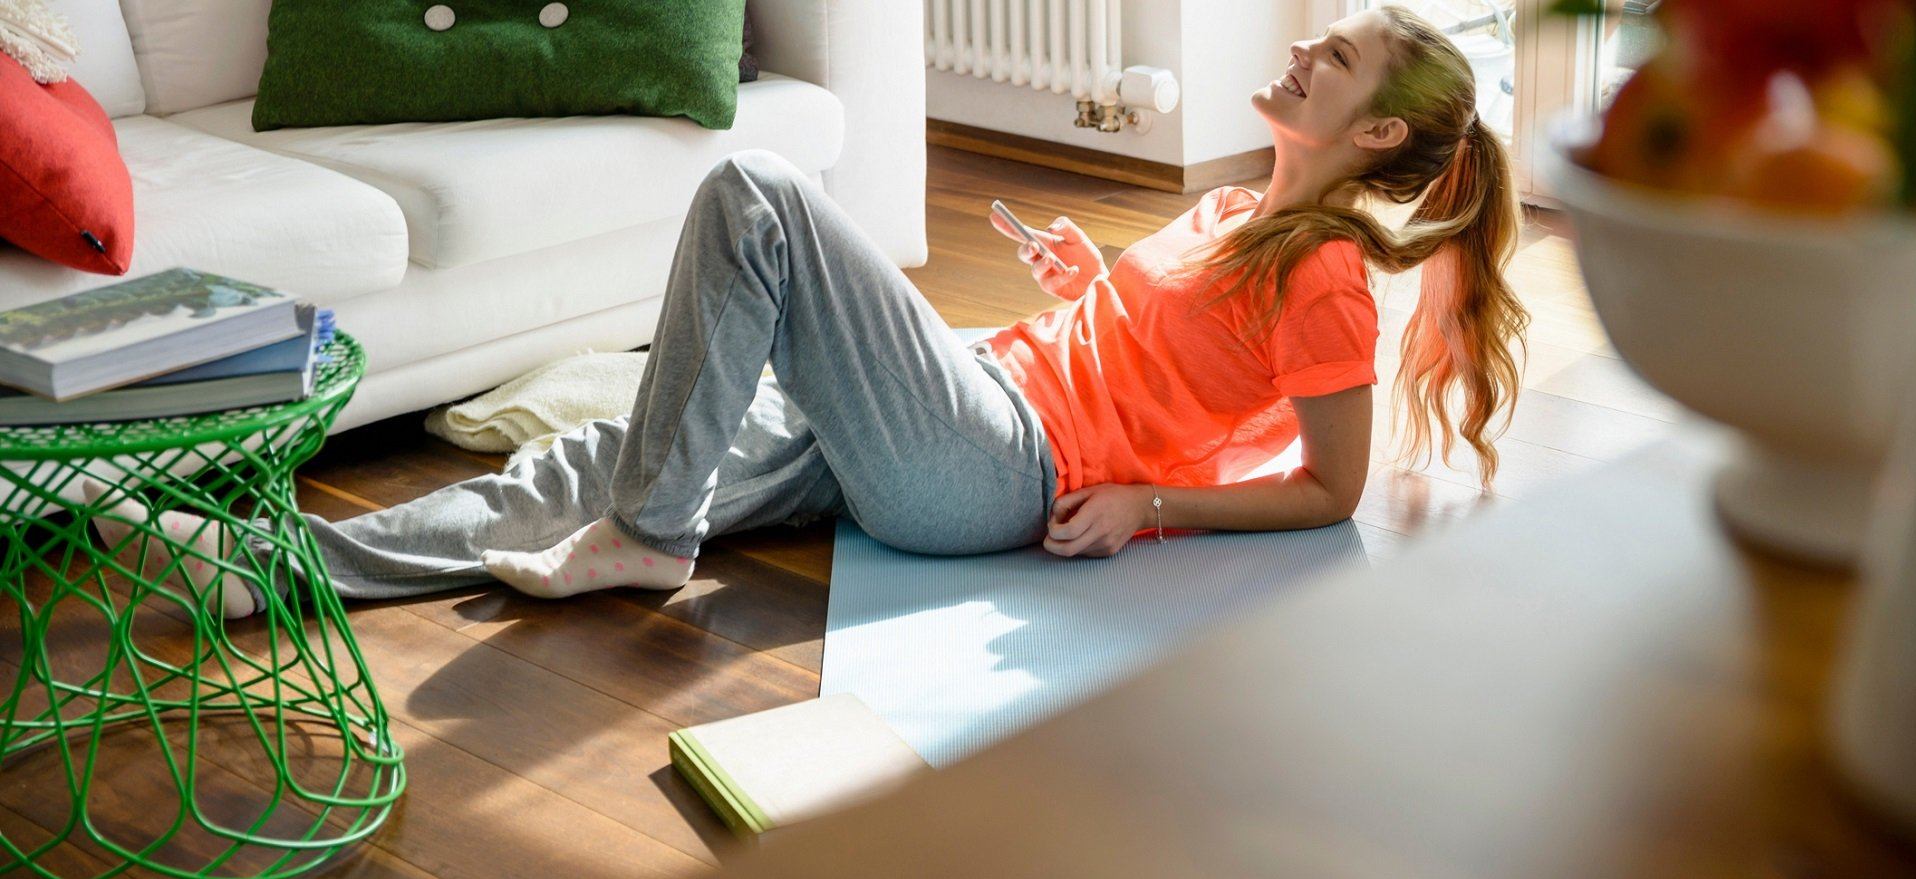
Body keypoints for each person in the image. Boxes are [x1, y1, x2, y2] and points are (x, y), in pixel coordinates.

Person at [84, 5, 1527, 619]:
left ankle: (648, 546)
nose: (1298, 45)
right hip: (982, 392)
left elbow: (1331, 491)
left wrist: (1153, 502)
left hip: (1000, 464)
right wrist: (1096, 288)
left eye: (1331, 54)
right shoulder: (1232, 211)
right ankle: (285, 572)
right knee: (612, 449)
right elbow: (1185, 356)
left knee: (758, 194)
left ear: (1380, 137)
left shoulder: (1328, 270)